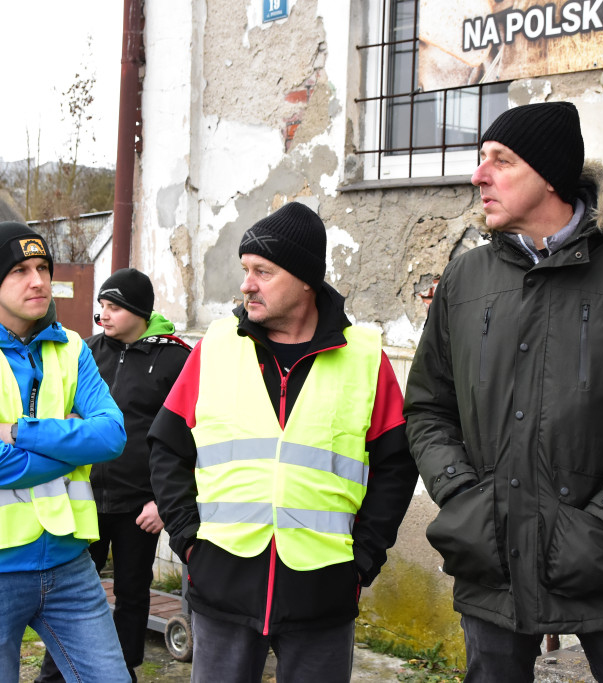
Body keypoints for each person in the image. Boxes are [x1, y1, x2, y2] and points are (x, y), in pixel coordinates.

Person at [403, 101, 603, 683]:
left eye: (500, 161)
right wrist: (464, 498)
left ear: (550, 176)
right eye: (481, 160)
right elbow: (428, 407)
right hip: (493, 559)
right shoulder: (465, 279)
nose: (479, 176)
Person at [149, 201, 417, 683]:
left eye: (262, 272)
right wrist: (189, 540)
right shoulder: (217, 347)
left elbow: (396, 466)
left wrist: (363, 560)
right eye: (245, 270)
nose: (246, 284)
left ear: (305, 279)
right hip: (220, 588)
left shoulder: (365, 359)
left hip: (323, 593)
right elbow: (168, 446)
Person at [0, 222, 130, 682]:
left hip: (68, 560)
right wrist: (72, 443)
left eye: (43, 268)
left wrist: (16, 431)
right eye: (19, 271)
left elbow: (111, 435)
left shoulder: (71, 347)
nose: (38, 281)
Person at [36, 268, 191, 683]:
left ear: (139, 310)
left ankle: (123, 672)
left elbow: (189, 437)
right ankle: (55, 673)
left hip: (140, 505)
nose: (102, 315)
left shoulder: (176, 359)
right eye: (101, 306)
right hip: (85, 497)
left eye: (113, 306)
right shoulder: (86, 352)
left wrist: (163, 502)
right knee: (68, 594)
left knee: (131, 594)